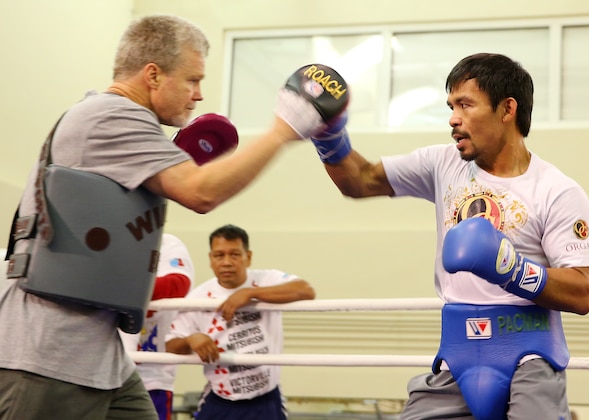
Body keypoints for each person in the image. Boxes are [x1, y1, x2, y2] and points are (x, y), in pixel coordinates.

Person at [0, 14, 345, 420]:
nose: (199, 95)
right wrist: (284, 130)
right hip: (49, 352)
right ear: (153, 75)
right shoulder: (113, 116)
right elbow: (201, 193)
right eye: (192, 80)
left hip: (98, 353)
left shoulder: (116, 121)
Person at [309, 53, 589, 419]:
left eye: (465, 104)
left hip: (531, 357)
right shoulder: (443, 163)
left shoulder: (557, 190)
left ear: (507, 109)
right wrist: (327, 134)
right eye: (451, 106)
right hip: (458, 356)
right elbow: (360, 179)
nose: (453, 119)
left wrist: (508, 268)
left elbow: (584, 291)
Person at [165, 224, 316, 420]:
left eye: (234, 254)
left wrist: (250, 293)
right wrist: (191, 340)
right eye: (219, 255)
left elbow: (306, 290)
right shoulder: (198, 297)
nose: (227, 262)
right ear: (211, 259)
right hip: (221, 399)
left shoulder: (266, 279)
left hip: (266, 400)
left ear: (248, 257)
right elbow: (170, 345)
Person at [119, 233, 195, 420]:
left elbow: (178, 284)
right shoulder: (113, 241)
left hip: (152, 377)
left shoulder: (168, 243)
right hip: (104, 371)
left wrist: (119, 289)